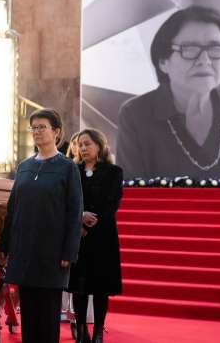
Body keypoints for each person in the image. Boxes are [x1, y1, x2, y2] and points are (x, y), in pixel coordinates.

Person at [116, 6, 220, 179]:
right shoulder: (136, 115)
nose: (204, 60)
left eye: (215, 49)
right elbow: (129, 197)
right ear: (163, 61)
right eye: (189, 49)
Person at [0, 108, 83, 343]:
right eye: (33, 128)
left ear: (56, 132)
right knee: (30, 312)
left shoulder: (67, 167)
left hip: (52, 251)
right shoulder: (24, 166)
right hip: (25, 248)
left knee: (47, 314)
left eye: (42, 127)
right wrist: (5, 244)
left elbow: (74, 212)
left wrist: (69, 251)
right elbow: (13, 207)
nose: (36, 132)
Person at [68, 129, 123, 343]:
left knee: (101, 288)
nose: (83, 149)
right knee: (79, 287)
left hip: (103, 236)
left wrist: (89, 224)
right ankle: (82, 332)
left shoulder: (113, 171)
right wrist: (78, 219)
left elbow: (111, 203)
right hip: (78, 236)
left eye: (87, 144)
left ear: (99, 146)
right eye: (80, 145)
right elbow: (68, 200)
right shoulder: (73, 171)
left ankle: (98, 331)